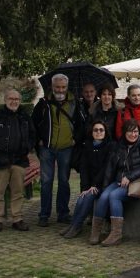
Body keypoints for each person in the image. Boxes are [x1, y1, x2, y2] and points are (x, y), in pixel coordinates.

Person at [32, 73, 88, 226]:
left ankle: (63, 213)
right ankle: (44, 214)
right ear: (52, 87)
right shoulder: (43, 103)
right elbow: (34, 124)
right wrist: (38, 140)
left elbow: (82, 125)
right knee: (46, 182)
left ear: (67, 87)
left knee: (64, 181)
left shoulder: (75, 103)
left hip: (66, 148)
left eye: (63, 87)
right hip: (47, 149)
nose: (60, 90)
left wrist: (75, 139)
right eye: (57, 87)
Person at [90, 119, 140, 246]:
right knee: (103, 197)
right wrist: (105, 185)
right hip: (118, 181)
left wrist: (129, 176)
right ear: (124, 132)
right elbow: (111, 167)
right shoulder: (119, 145)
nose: (133, 134)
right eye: (129, 131)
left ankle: (116, 234)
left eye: (135, 131)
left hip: (135, 184)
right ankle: (96, 231)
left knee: (114, 196)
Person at [0, 89, 36, 232]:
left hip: (19, 160)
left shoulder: (24, 117)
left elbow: (32, 135)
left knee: (18, 192)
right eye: (11, 98)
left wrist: (27, 147)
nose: (14, 101)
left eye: (17, 99)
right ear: (5, 100)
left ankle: (17, 219)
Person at [59, 120, 113, 238]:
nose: (98, 132)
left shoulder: (110, 147)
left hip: (103, 183)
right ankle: (73, 224)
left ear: (105, 132)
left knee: (88, 196)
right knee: (82, 196)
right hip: (90, 184)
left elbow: (105, 169)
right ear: (92, 132)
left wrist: (94, 185)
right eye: (96, 130)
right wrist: (85, 187)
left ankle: (77, 226)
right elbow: (83, 169)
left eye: (101, 130)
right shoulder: (87, 146)